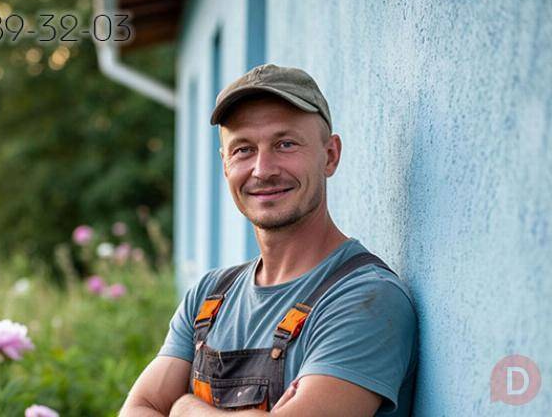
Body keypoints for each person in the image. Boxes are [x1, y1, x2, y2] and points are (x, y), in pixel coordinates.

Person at [119, 64, 418, 416]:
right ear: (225, 164)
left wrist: (185, 408)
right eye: (243, 149)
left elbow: (160, 407)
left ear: (330, 155)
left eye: (285, 144)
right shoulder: (209, 296)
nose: (263, 169)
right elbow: (138, 408)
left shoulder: (365, 298)